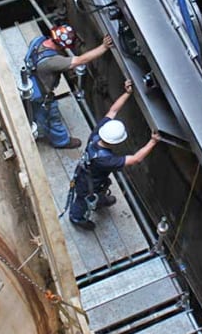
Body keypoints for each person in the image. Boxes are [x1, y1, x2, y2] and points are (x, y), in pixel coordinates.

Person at [69, 80, 161, 230]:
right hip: (88, 185)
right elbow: (136, 158)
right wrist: (153, 141)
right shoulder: (106, 160)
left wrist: (127, 93)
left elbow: (112, 111)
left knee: (98, 190)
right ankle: (77, 217)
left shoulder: (97, 135)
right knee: (83, 201)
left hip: (88, 175)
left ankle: (100, 201)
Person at [25, 24, 113, 149]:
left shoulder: (38, 41)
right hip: (41, 95)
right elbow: (80, 60)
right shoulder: (52, 62)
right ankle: (61, 141)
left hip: (29, 83)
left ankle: (30, 117)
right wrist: (103, 47)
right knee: (51, 118)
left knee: (32, 108)